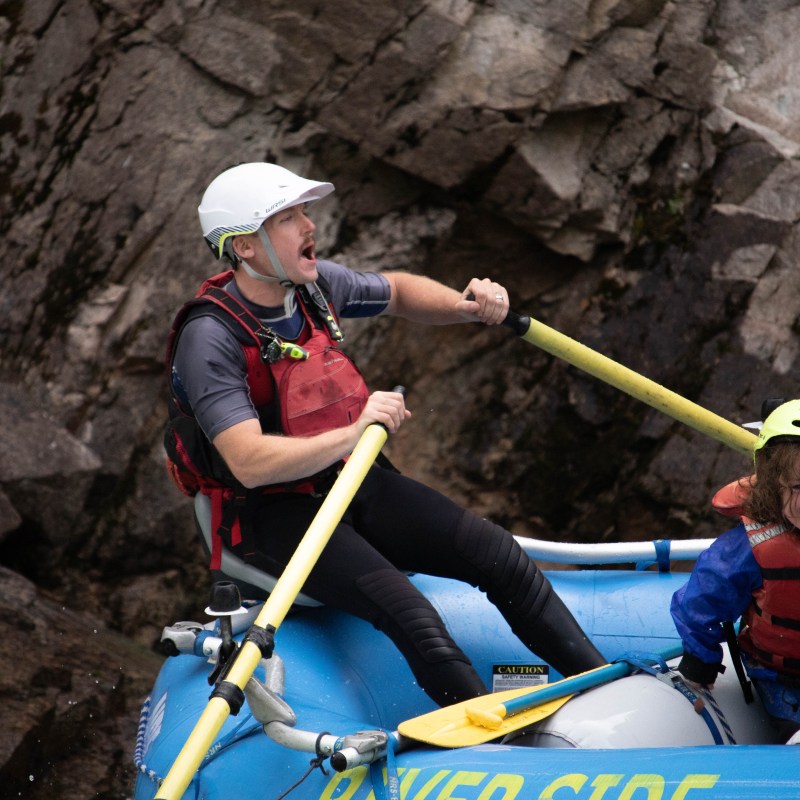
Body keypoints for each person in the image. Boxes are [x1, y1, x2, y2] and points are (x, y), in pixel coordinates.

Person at [165, 161, 606, 707]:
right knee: (410, 610)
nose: (310, 227)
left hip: (347, 481)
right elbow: (249, 461)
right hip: (267, 514)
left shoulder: (313, 288)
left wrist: (465, 306)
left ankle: (606, 685)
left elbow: (395, 291)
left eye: (306, 212)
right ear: (245, 247)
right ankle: (482, 744)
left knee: (497, 552)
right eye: (288, 218)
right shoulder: (210, 337)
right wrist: (356, 432)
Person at [671, 399, 800, 741]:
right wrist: (701, 660)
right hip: (781, 677)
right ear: (774, 485)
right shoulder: (748, 549)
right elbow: (703, 600)